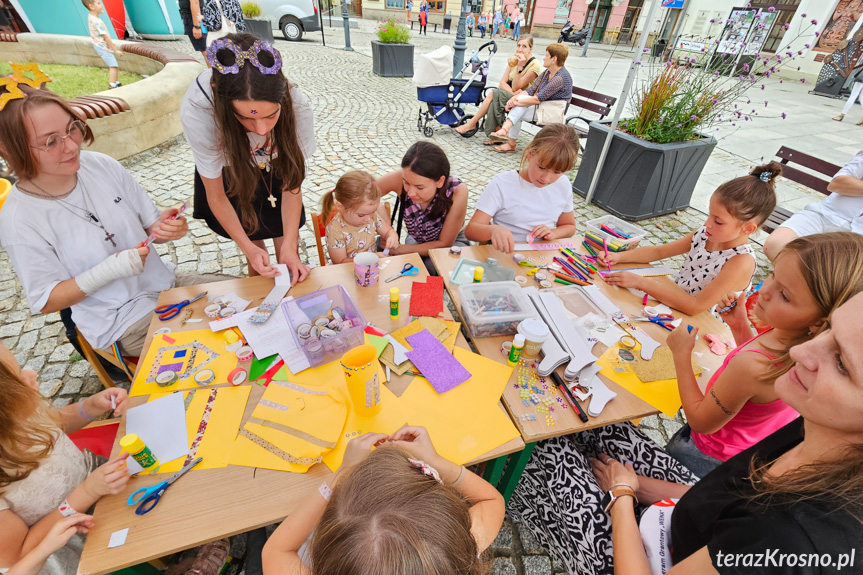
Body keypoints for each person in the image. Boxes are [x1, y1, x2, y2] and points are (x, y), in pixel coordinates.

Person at [510, 292, 863, 573]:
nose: (802, 350)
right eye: (827, 330)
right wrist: (641, 486)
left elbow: (702, 427)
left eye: (842, 363)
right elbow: (722, 496)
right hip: (679, 520)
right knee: (599, 426)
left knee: (546, 448)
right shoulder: (816, 425)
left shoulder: (789, 536)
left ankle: (512, 500)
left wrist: (621, 496)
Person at [0, 83, 218, 357]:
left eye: (72, 128)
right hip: (118, 320)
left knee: (249, 299)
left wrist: (165, 227)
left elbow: (152, 228)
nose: (71, 145)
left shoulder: (101, 165)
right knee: (220, 340)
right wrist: (109, 270)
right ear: (9, 149)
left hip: (165, 284)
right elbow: (46, 300)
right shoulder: (19, 219)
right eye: (50, 141)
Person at [664, 232, 863, 478]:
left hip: (701, 454)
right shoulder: (797, 344)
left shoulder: (753, 365)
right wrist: (739, 326)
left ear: (819, 320)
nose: (765, 290)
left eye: (785, 295)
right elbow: (759, 386)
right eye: (772, 274)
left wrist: (681, 354)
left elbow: (701, 422)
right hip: (741, 453)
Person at [260, 426, 505, 574]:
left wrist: (339, 475)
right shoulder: (454, 557)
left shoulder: (450, 552)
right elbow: (492, 500)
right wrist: (436, 460)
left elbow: (276, 549)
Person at [181, 34, 315, 283]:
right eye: (245, 118)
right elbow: (217, 196)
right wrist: (248, 249)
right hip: (233, 172)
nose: (262, 130)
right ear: (220, 100)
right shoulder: (199, 112)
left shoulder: (298, 107)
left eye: (271, 116)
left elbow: (291, 188)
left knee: (287, 245)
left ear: (283, 96)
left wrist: (289, 243)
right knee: (255, 249)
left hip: (274, 166)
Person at [0, 342, 131, 575]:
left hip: (99, 480)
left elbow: (53, 423)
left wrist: (89, 407)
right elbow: (19, 555)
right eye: (19, 376)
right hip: (74, 540)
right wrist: (86, 493)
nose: (32, 374)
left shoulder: (19, 413)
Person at [599, 163, 780, 316]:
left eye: (718, 221)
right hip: (673, 304)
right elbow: (659, 251)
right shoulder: (705, 233)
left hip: (702, 328)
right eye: (709, 214)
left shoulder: (741, 262)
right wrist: (618, 257)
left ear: (747, 228)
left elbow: (695, 307)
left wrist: (641, 283)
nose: (707, 223)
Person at [465, 124, 578, 253]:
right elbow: (471, 231)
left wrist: (554, 233)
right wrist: (494, 230)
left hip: (542, 255)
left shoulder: (563, 185)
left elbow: (569, 226)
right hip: (506, 254)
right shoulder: (502, 184)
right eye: (541, 167)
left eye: (557, 172)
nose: (546, 179)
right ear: (529, 154)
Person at [375, 142, 469, 272]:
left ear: (440, 181)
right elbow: (361, 195)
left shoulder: (457, 191)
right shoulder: (401, 177)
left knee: (433, 267)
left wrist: (399, 249)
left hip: (453, 243)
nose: (411, 193)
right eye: (406, 183)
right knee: (408, 266)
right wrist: (386, 228)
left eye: (420, 187)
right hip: (416, 239)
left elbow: (444, 244)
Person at [764, 149, 863, 261]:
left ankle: (784, 277)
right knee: (774, 246)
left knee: (832, 273)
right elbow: (837, 183)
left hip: (858, 236)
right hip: (824, 214)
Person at [488, 43, 573, 154]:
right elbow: (530, 90)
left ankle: (508, 137)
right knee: (520, 105)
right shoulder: (547, 72)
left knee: (519, 108)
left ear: (554, 59)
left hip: (552, 112)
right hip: (541, 108)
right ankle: (506, 134)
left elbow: (538, 99)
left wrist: (517, 102)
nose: (544, 58)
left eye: (547, 55)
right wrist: (514, 99)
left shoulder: (560, 78)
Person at [455, 35, 541, 143]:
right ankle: (496, 132)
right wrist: (513, 92)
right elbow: (502, 83)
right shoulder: (513, 60)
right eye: (518, 45)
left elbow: (517, 86)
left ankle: (472, 124)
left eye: (524, 46)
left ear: (530, 48)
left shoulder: (534, 65)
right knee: (494, 97)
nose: (520, 49)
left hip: (524, 99)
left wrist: (520, 67)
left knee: (493, 94)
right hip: (512, 94)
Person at [320, 171, 399, 264]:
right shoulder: (335, 229)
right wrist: (371, 258)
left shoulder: (371, 216)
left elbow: (388, 231)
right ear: (341, 207)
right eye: (361, 215)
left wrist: (392, 236)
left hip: (371, 270)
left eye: (373, 211)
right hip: (347, 272)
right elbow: (340, 262)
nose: (368, 219)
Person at [82, 0, 123, 89]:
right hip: (102, 47)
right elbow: (106, 37)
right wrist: (115, 49)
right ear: (92, 7)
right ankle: (112, 84)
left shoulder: (91, 17)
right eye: (98, 3)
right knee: (113, 65)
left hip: (98, 45)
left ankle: (117, 82)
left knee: (113, 63)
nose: (102, 5)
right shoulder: (97, 22)